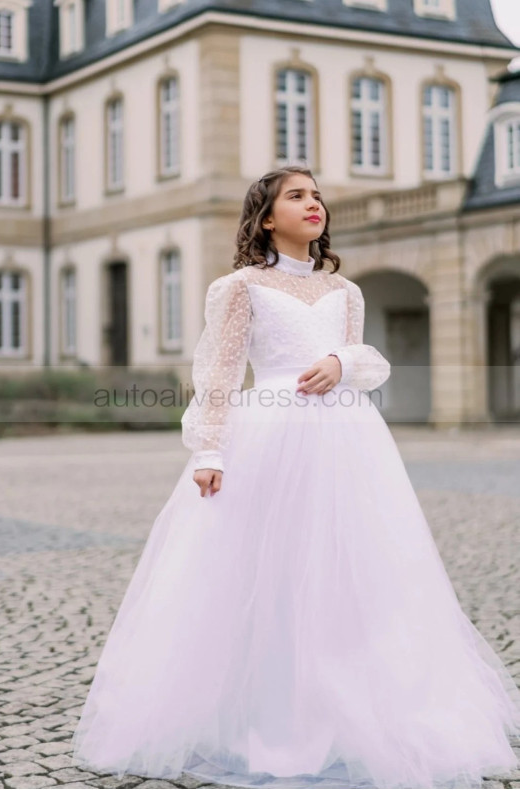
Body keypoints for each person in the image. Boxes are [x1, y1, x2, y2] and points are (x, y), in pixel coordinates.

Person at [71, 166, 520, 789]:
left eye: (317, 196)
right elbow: (219, 373)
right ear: (265, 218)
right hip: (270, 439)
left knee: (353, 569)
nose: (314, 204)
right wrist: (209, 452)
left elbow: (367, 362)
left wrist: (342, 360)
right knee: (273, 572)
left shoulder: (347, 291)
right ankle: (270, 714)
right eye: (297, 196)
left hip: (349, 440)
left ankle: (353, 710)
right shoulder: (240, 287)